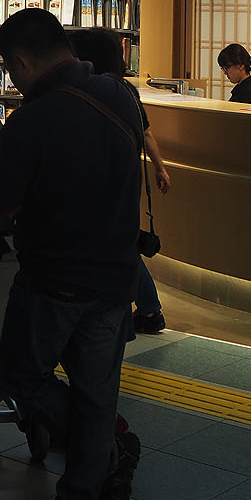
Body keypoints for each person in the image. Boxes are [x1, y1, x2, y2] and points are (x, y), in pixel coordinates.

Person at [0, 9, 142, 500]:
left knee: (22, 378)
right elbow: (79, 162)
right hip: (116, 277)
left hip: (54, 280)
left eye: (11, 69)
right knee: (97, 394)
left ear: (23, 61)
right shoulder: (121, 97)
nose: (14, 80)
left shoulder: (33, 119)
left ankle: (103, 456)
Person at [68, 27, 172, 336]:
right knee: (122, 242)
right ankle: (147, 308)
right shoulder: (126, 91)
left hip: (98, 185)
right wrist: (160, 168)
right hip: (124, 182)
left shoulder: (88, 91)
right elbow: (146, 131)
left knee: (120, 245)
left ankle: (148, 308)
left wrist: (160, 167)